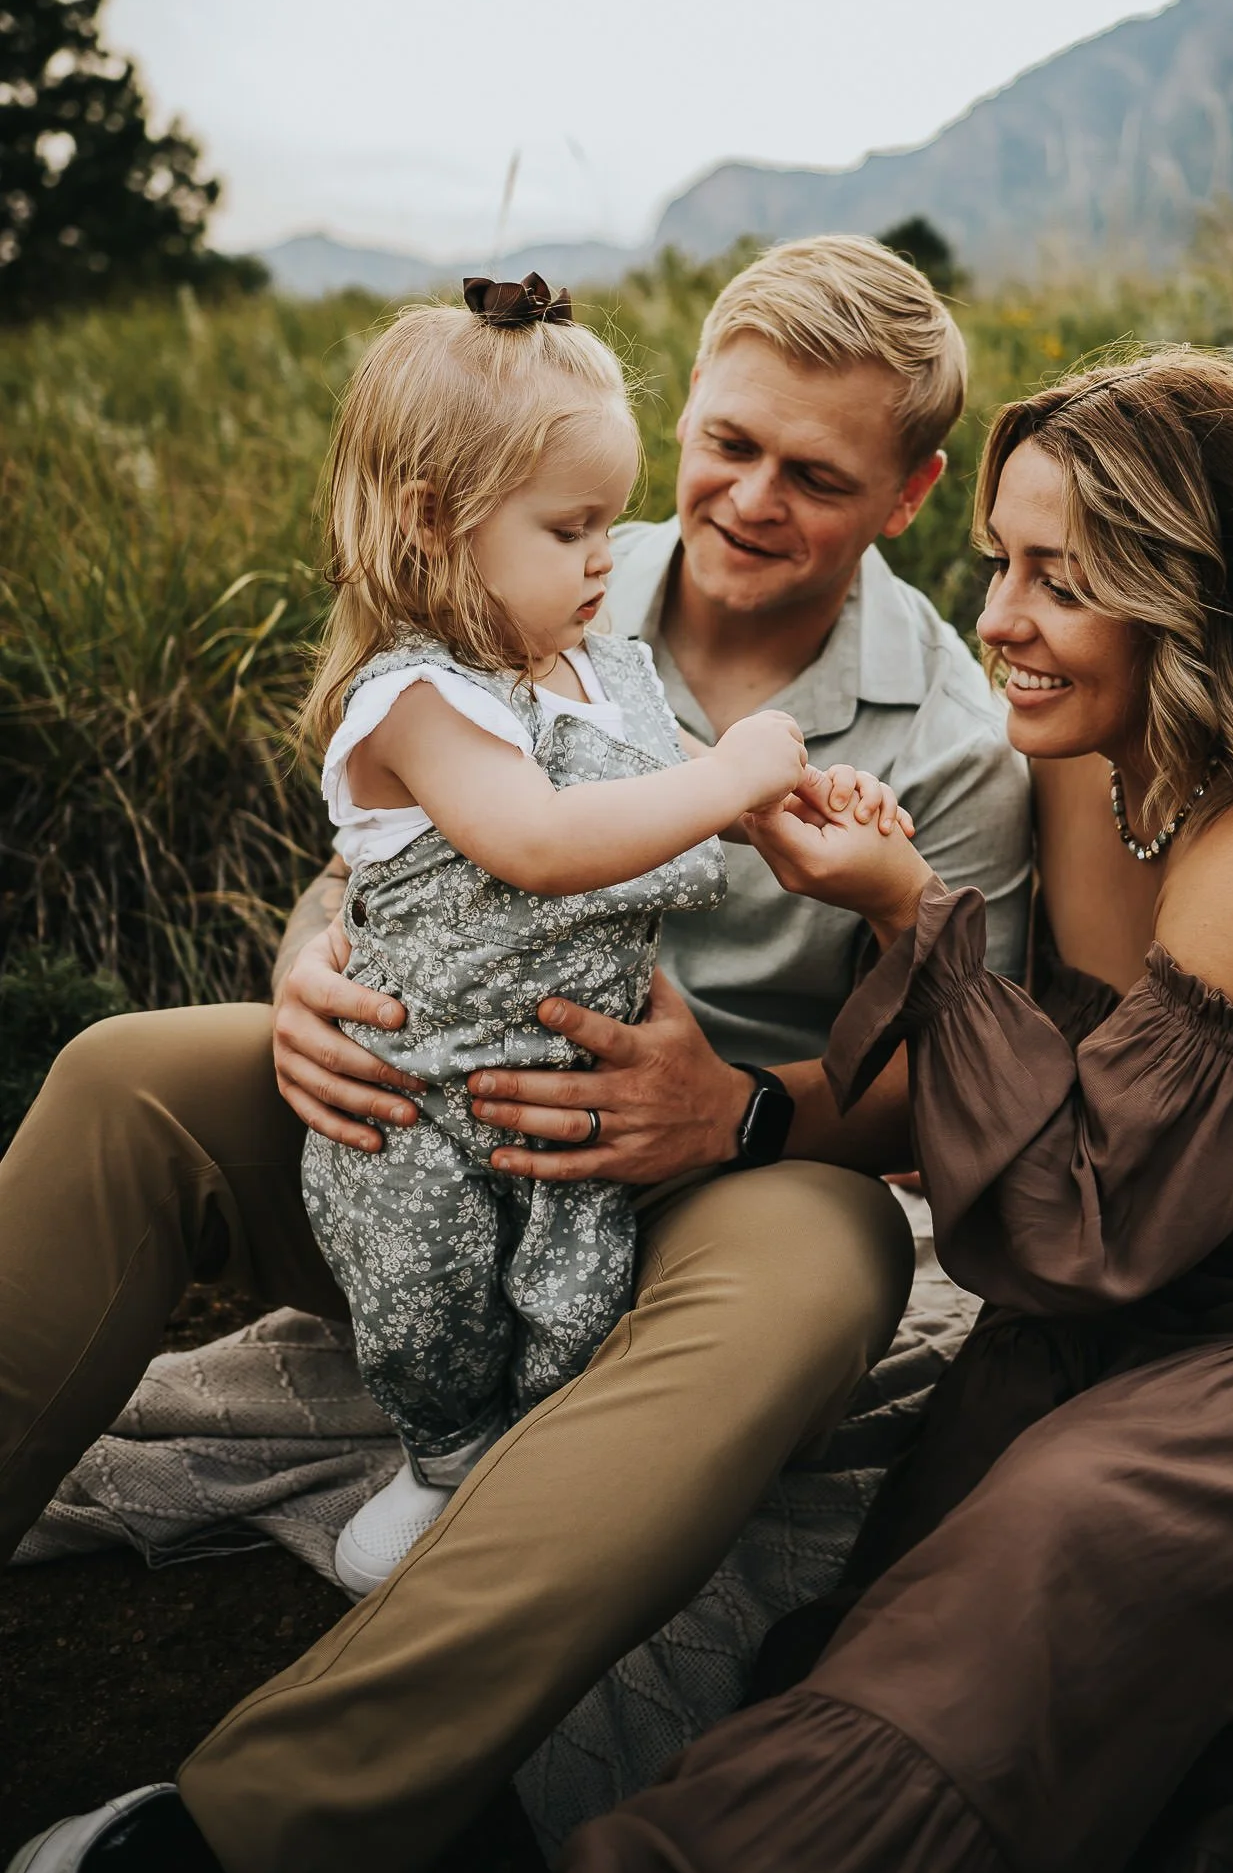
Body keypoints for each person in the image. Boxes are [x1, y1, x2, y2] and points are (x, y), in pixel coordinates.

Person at [508, 348, 1233, 1873]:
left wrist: (915, 916)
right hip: (1168, 1315)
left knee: (1053, 1554)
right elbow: (1048, 1116)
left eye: (1062, 578)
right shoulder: (1096, 777)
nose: (996, 618)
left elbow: (1080, 1220)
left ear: (1201, 598)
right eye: (997, 559)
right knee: (930, 1577)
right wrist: (757, 1096)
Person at [0, 239, 1031, 1873]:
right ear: (680, 408)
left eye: (817, 473)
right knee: (128, 1074)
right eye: (728, 441)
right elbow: (390, 833)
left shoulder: (953, 743)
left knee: (828, 1260)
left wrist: (745, 1114)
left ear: (911, 492)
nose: (746, 500)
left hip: (707, 1197)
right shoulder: (532, 538)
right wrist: (310, 953)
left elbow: (956, 1071)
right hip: (424, 1119)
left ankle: (237, 1853)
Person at [296, 271, 889, 1594]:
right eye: (569, 529)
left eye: (607, 525)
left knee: (572, 1302)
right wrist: (732, 776)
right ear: (432, 524)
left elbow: (657, 779)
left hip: (571, 1090)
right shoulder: (417, 699)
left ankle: (545, 1462)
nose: (602, 560)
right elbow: (542, 846)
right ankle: (442, 1462)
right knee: (428, 1305)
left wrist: (790, 799)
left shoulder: (587, 662)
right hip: (418, 1103)